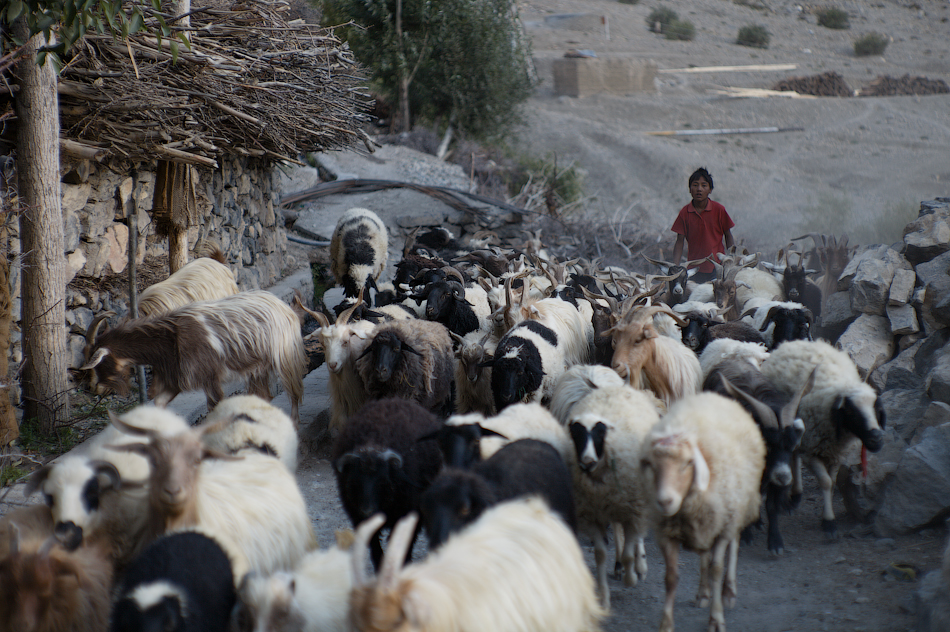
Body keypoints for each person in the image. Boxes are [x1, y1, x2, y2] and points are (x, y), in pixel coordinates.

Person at [671, 167, 735, 283]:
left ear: (710, 190)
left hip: (717, 267)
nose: (699, 189)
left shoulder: (719, 210)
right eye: (695, 185)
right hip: (694, 269)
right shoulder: (685, 212)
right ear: (690, 189)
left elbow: (728, 235)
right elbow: (679, 241)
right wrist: (674, 266)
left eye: (704, 185)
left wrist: (731, 259)